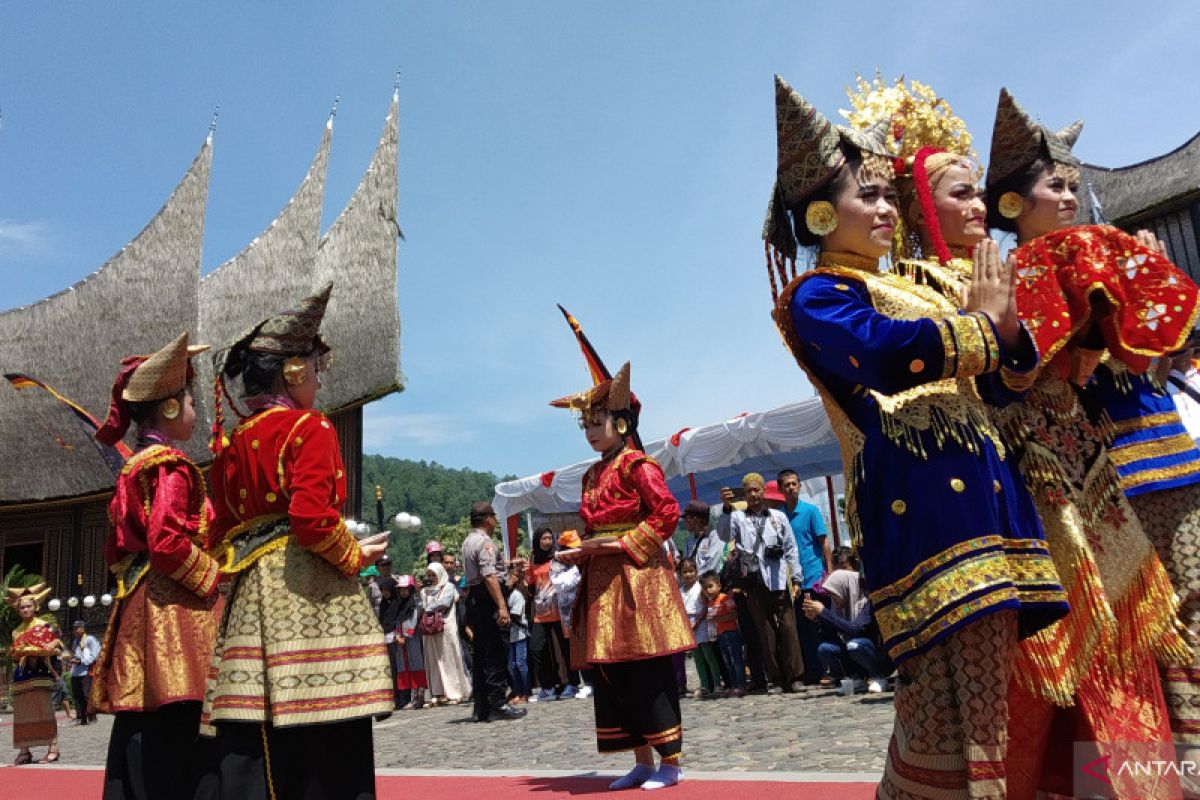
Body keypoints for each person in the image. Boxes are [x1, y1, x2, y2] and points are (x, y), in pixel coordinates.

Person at [763, 76, 1068, 799]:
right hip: (923, 498)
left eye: (887, 194)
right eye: (865, 195)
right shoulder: (819, 296)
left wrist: (1007, 330)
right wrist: (982, 328)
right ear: (816, 213)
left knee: (986, 684)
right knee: (945, 692)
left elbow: (998, 380)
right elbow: (887, 355)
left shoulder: (924, 287)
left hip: (985, 490)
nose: (884, 207)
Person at [982, 88, 1198, 799]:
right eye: (1054, 184)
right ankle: (1166, 773)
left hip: (1159, 444)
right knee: (1148, 636)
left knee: (1183, 614)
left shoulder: (1098, 253)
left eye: (1074, 183)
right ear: (1013, 203)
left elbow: (1151, 359)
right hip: (1097, 478)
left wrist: (1138, 287)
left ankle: (1173, 767)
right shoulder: (1010, 279)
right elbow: (1034, 378)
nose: (1069, 194)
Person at [199, 285, 391, 800]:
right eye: (315, 365)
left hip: (249, 598)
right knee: (326, 722)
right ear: (294, 371)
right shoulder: (310, 428)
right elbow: (309, 518)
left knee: (255, 724)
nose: (319, 376)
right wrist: (355, 555)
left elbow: (215, 530)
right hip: (304, 590)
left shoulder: (232, 444)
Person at [82, 332, 221, 798]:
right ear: (168, 408)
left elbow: (115, 554)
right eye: (190, 401)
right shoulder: (172, 467)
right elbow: (167, 543)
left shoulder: (130, 468)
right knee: (178, 719)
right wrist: (213, 579)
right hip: (174, 611)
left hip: (139, 604)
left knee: (140, 723)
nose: (195, 412)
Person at [551, 360, 693, 791]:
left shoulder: (639, 466)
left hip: (638, 577)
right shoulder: (592, 474)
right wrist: (581, 551)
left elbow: (668, 512)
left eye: (599, 422)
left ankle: (671, 762)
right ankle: (641, 761)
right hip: (601, 580)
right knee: (614, 673)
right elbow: (593, 528)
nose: (592, 432)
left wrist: (621, 544)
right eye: (586, 425)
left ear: (622, 421)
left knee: (646, 667)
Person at [717, 473, 805, 693]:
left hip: (778, 579)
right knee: (765, 631)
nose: (753, 494)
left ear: (764, 492)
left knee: (788, 627)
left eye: (757, 490)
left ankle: (795, 677)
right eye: (749, 491)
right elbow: (724, 535)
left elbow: (791, 548)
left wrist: (796, 576)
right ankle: (775, 679)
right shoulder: (738, 517)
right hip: (754, 580)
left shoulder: (778, 516)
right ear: (744, 494)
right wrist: (726, 509)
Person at [461, 501, 526, 721]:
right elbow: (489, 576)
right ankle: (498, 702)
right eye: (494, 517)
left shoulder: (468, 541)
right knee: (496, 652)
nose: (496, 521)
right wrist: (501, 605)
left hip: (475, 598)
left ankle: (481, 706)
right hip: (488, 598)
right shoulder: (486, 543)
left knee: (480, 654)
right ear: (487, 518)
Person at [802, 561, 890, 694]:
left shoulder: (866, 602)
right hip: (851, 650)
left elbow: (854, 629)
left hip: (873, 650)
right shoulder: (839, 606)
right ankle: (856, 678)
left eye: (834, 593)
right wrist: (815, 619)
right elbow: (830, 634)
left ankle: (878, 676)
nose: (832, 597)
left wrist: (824, 613)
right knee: (825, 649)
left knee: (855, 645)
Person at [777, 468, 830, 686]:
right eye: (786, 485)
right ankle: (811, 670)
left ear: (799, 485)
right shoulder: (779, 516)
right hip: (791, 581)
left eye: (793, 484)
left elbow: (823, 542)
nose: (791, 488)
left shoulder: (811, 511)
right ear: (781, 489)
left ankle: (827, 668)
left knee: (818, 625)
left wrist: (830, 571)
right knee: (800, 628)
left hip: (813, 576)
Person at [7, 583, 62, 765]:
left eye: (28, 606)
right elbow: (14, 654)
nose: (25, 609)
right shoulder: (16, 632)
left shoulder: (43, 625)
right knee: (22, 713)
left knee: (44, 710)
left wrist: (49, 646)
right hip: (22, 676)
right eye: (22, 607)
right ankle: (24, 750)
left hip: (40, 673)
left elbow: (57, 645)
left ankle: (53, 748)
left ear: (35, 606)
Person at [526, 528, 580, 701]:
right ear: (537, 540)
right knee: (536, 648)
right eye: (544, 538)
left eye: (550, 538)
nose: (547, 542)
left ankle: (572, 684)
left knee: (565, 649)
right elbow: (532, 584)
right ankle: (548, 686)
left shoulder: (557, 558)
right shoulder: (533, 559)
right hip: (540, 612)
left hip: (558, 609)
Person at [420, 562, 472, 706]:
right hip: (429, 630)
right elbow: (423, 606)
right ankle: (438, 692)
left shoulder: (449, 587)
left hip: (446, 627)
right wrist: (428, 603)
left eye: (433, 575)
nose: (431, 578)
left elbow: (444, 603)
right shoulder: (424, 591)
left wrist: (429, 607)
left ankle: (455, 692)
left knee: (449, 659)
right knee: (433, 661)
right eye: (429, 575)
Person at [678, 558, 719, 698]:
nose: (688, 575)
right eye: (685, 572)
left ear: (696, 572)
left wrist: (697, 622)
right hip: (688, 625)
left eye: (691, 571)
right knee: (697, 658)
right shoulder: (681, 590)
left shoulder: (699, 588)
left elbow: (704, 607)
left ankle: (717, 684)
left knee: (708, 655)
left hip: (701, 623)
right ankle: (704, 685)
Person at [700, 571, 744, 697]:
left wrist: (717, 618)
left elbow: (734, 614)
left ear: (719, 586)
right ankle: (732, 685)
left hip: (731, 633)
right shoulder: (709, 603)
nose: (708, 590)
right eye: (705, 588)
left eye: (710, 586)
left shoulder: (725, 598)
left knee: (736, 660)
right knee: (727, 662)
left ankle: (740, 685)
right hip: (719, 635)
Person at [394, 575, 428, 710]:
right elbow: (397, 621)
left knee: (417, 666)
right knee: (406, 668)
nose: (403, 592)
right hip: (401, 641)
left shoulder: (415, 604)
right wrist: (397, 635)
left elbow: (413, 622)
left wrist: (405, 636)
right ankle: (410, 698)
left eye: (405, 589)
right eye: (401, 589)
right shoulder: (398, 605)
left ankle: (419, 698)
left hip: (412, 640)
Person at [377, 576, 406, 709]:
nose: (385, 593)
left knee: (397, 668)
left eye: (387, 590)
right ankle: (393, 697)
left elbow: (398, 619)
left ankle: (401, 698)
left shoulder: (398, 603)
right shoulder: (383, 603)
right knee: (390, 671)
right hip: (385, 639)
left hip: (396, 638)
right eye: (383, 590)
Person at [506, 564, 531, 705]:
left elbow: (515, 615)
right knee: (512, 665)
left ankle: (525, 692)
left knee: (521, 663)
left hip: (520, 632)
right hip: (512, 634)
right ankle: (517, 691)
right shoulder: (507, 594)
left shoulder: (517, 595)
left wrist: (505, 616)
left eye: (512, 577)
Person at [680, 500, 724, 577]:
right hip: (691, 583)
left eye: (686, 518)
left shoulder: (715, 537)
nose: (685, 521)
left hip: (707, 584)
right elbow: (685, 562)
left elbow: (711, 565)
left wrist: (693, 578)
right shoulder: (690, 541)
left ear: (696, 519)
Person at [68, 621, 99, 725]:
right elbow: (76, 654)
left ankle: (92, 716)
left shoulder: (90, 639)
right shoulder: (75, 641)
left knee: (87, 694)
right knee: (77, 695)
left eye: (77, 628)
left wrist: (81, 661)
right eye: (74, 628)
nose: (75, 631)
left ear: (83, 629)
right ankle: (81, 717)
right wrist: (71, 658)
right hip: (76, 671)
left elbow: (94, 655)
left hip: (86, 671)